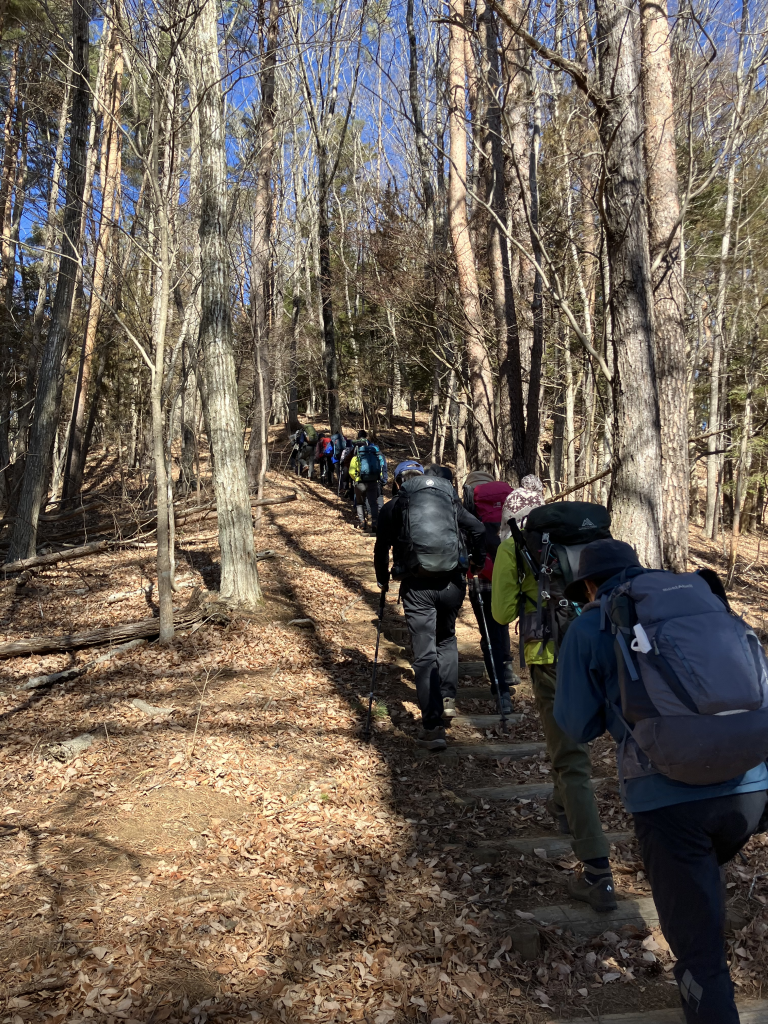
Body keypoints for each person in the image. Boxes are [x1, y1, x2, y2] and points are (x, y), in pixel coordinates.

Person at [554, 539, 768, 1024]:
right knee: (703, 883)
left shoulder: (593, 623)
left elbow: (577, 725)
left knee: (699, 954)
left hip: (669, 799)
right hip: (752, 784)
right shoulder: (700, 601)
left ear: (588, 584)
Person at [491, 482, 616, 911]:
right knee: (574, 749)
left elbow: (502, 613)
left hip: (551, 656)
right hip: (604, 645)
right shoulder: (584, 540)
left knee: (570, 758)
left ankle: (599, 873)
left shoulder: (516, 548)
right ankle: (563, 806)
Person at [375, 461, 486, 750]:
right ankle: (448, 697)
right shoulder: (446, 501)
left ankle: (434, 726)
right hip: (452, 583)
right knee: (447, 638)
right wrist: (476, 560)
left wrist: (382, 581)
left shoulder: (393, 507)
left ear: (398, 483)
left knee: (424, 655)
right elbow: (477, 528)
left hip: (416, 586)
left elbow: (380, 547)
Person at [462, 472, 517, 717]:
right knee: (501, 624)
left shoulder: (470, 510)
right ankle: (505, 665)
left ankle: (501, 692)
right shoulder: (506, 505)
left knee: (489, 634)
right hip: (510, 580)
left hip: (482, 579)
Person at [350, 435, 386, 531]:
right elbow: (380, 471)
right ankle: (375, 522)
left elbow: (351, 472)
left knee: (360, 503)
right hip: (373, 482)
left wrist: (357, 478)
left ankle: (362, 522)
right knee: (373, 503)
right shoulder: (375, 456)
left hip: (360, 483)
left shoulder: (356, 457)